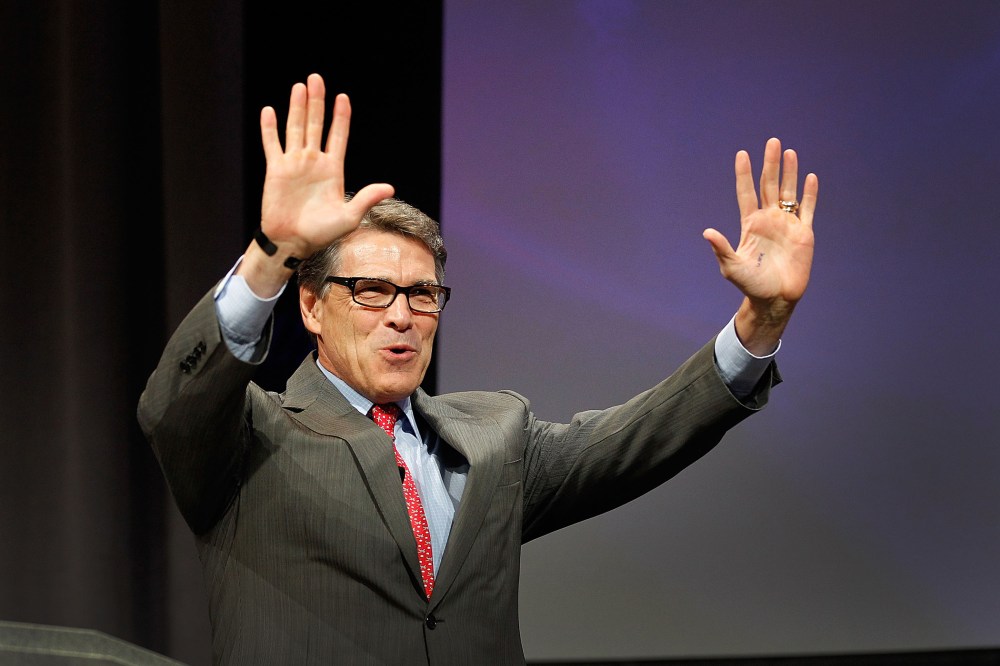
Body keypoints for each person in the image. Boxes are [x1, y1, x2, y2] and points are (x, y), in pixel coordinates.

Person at [138, 73, 817, 665]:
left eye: (422, 295)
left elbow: (640, 438)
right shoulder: (251, 436)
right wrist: (272, 254)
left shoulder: (495, 435)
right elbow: (173, 406)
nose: (401, 315)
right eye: (372, 291)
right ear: (312, 305)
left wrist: (763, 320)